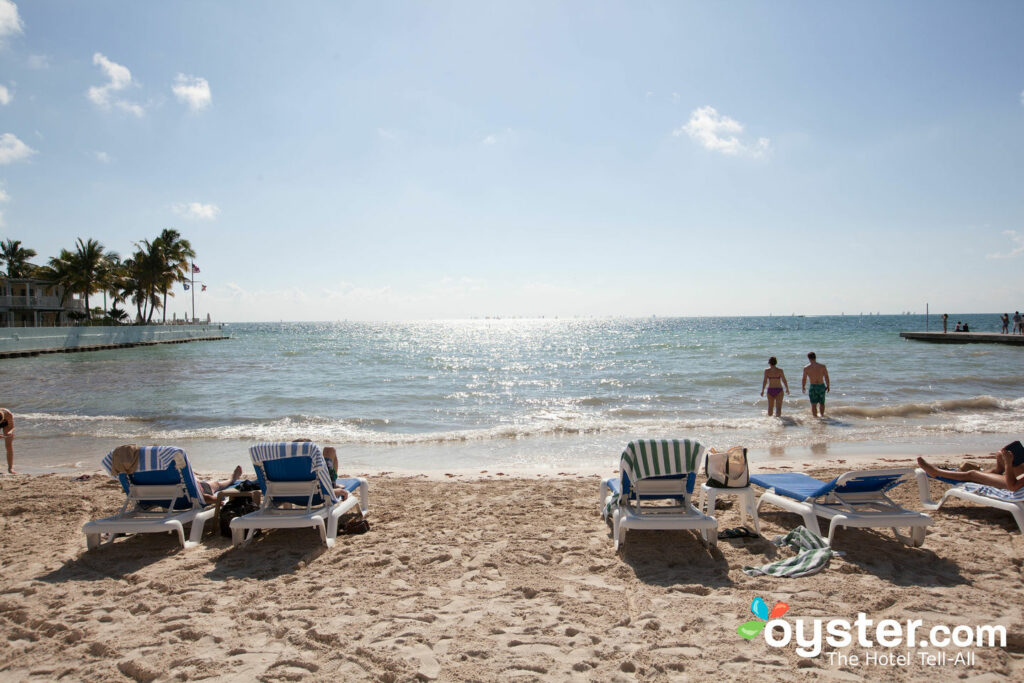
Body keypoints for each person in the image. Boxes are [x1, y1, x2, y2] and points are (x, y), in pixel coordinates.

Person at [917, 442, 1024, 492]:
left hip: (1016, 485)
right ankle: (996, 472)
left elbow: (1012, 486)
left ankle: (936, 472)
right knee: (1000, 454)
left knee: (972, 474)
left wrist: (1008, 464)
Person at [801, 352, 830, 418]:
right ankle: (822, 416)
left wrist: (803, 387)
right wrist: (828, 385)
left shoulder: (806, 368)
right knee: (822, 403)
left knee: (813, 404)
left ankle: (815, 418)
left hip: (813, 386)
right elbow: (826, 377)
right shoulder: (822, 366)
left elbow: (804, 379)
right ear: (815, 357)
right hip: (821, 386)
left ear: (809, 358)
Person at [0, 407, 13, 474]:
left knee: (9, 446)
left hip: (6, 424)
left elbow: (12, 427)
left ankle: (10, 468)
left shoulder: (8, 414)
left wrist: (10, 432)